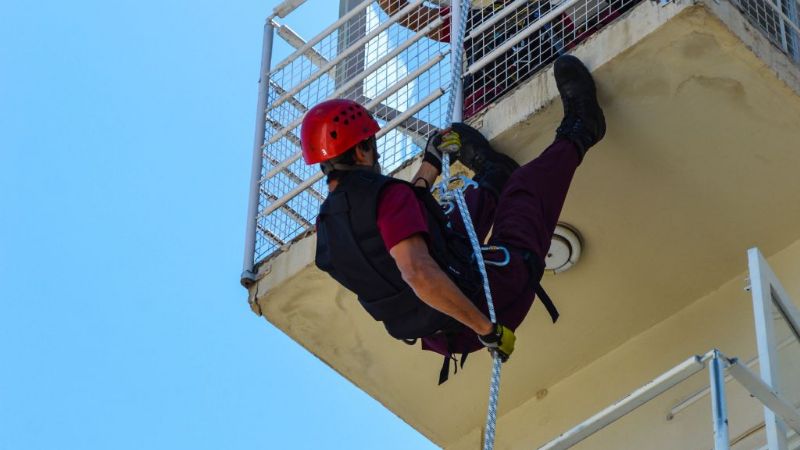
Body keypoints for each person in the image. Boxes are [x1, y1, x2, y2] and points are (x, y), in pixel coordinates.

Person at [301, 55, 605, 383]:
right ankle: (581, 130)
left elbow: (403, 218)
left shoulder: (328, 227)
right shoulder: (385, 196)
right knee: (525, 193)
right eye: (372, 146)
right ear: (362, 150)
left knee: (446, 219)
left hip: (441, 328)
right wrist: (487, 330)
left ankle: (494, 177)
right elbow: (417, 271)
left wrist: (432, 161)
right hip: (487, 304)